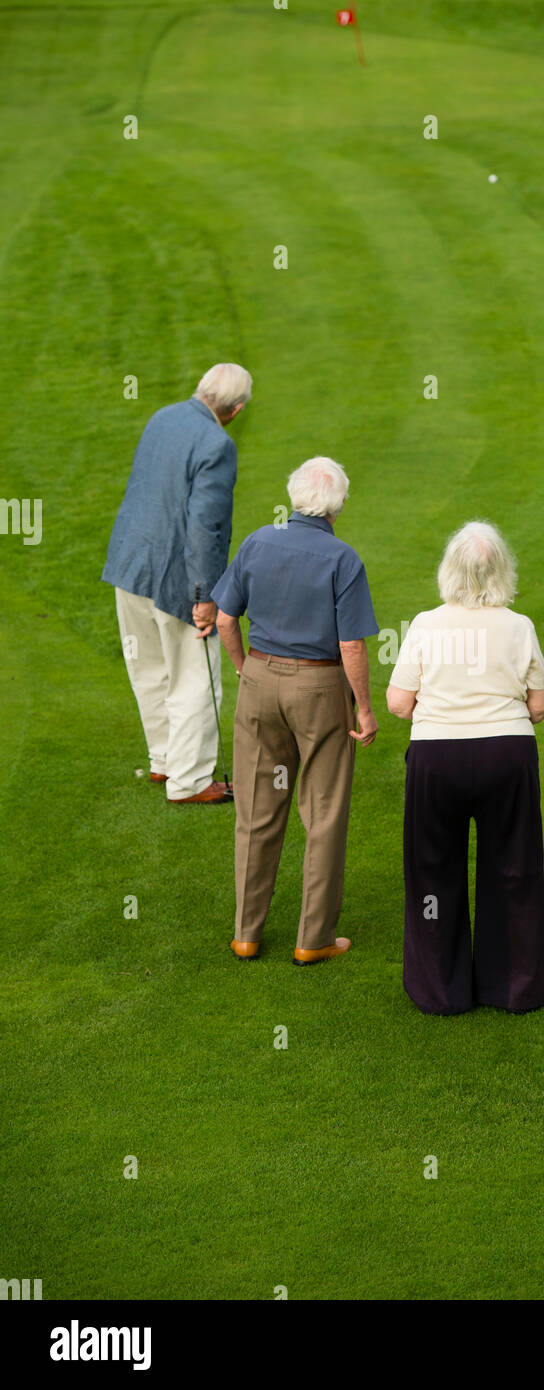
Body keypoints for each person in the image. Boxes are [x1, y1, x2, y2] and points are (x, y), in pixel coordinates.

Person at [213, 456, 379, 963]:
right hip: (321, 689)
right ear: (338, 503)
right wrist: (366, 710)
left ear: (294, 494)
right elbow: (351, 646)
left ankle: (247, 933)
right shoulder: (343, 558)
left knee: (256, 811)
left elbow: (223, 620)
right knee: (323, 813)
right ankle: (313, 941)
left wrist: (245, 670)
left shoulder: (258, 541)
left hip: (260, 681)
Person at [387, 521, 544, 1015]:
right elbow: (540, 706)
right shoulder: (519, 626)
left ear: (449, 570)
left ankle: (441, 990)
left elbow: (398, 703)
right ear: (501, 570)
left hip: (438, 758)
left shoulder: (424, 624)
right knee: (514, 869)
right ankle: (514, 987)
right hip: (508, 755)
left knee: (433, 869)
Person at [102, 363, 252, 804]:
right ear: (236, 409)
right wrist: (204, 596)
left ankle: (165, 761)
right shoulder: (217, 444)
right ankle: (191, 781)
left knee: (148, 668)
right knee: (194, 677)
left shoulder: (162, 416)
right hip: (175, 579)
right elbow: (206, 528)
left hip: (129, 566)